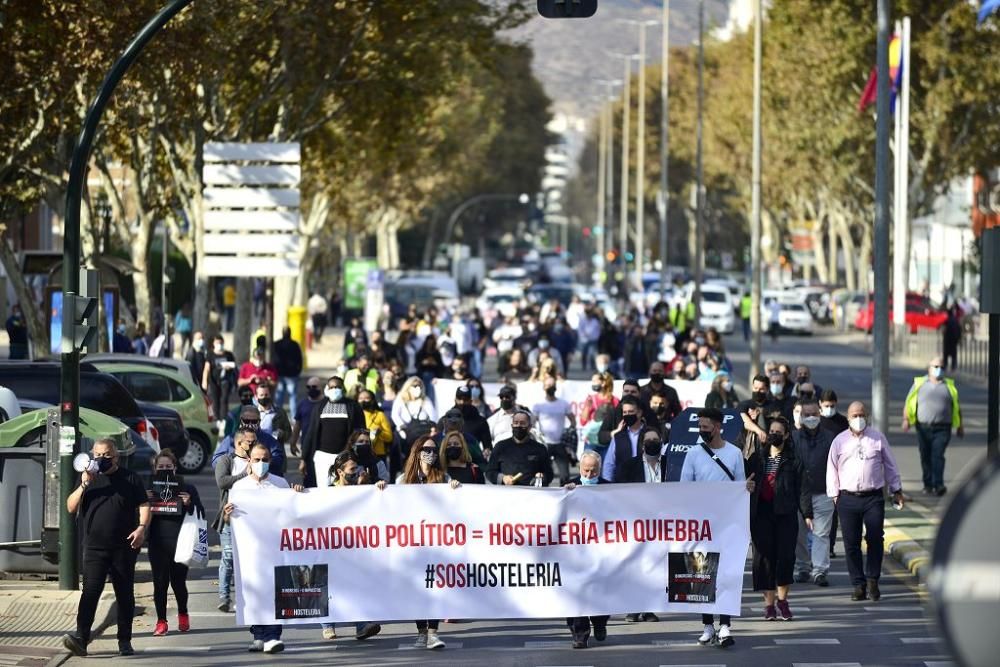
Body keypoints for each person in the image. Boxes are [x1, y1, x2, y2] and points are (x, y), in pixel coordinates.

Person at [62, 438, 150, 657]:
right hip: (94, 547)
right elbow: (70, 506)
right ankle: (81, 638)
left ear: (116, 456)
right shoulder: (89, 478)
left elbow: (144, 504)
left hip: (123, 546)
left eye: (107, 455)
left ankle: (125, 641)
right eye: (98, 455)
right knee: (90, 592)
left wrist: (141, 528)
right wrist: (84, 484)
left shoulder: (130, 478)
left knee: (124, 593)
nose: (102, 459)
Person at [680, 408, 754, 648]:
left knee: (726, 574)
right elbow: (684, 488)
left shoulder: (734, 453)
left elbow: (740, 487)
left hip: (727, 525)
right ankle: (707, 625)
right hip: (701, 526)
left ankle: (725, 625)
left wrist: (747, 488)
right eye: (700, 427)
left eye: (706, 427)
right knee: (702, 575)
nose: (702, 431)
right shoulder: (692, 454)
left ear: (718, 427)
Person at [222, 442, 304, 653]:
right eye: (257, 459)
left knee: (275, 590)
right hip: (250, 551)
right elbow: (230, 521)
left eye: (265, 460)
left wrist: (297, 493)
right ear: (249, 460)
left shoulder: (280, 483)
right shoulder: (239, 488)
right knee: (253, 591)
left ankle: (272, 636)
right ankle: (259, 634)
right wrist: (227, 514)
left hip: (276, 549)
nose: (261, 463)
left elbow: (293, 514)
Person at [827, 401, 903, 602]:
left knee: (875, 538)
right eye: (854, 415)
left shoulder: (877, 438)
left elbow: (890, 465)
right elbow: (832, 469)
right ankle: (858, 584)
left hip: (873, 497)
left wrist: (897, 489)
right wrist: (834, 495)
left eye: (861, 415)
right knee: (851, 544)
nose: (858, 419)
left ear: (867, 416)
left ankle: (873, 580)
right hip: (847, 498)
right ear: (848, 418)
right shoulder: (839, 441)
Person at [397, 437, 460, 649]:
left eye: (434, 450)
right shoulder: (403, 481)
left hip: (435, 544)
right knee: (416, 589)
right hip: (412, 544)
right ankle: (421, 631)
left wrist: (454, 488)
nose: (430, 454)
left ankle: (433, 632)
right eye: (426, 449)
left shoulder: (443, 477)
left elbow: (453, 505)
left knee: (434, 587)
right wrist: (380, 489)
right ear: (417, 451)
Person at [747, 417, 810, 621]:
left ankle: (783, 602)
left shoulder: (794, 460)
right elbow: (745, 482)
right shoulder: (757, 458)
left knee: (785, 558)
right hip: (762, 515)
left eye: (778, 431)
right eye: (771, 431)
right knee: (764, 559)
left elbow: (802, 489)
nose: (773, 434)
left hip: (785, 515)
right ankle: (769, 605)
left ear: (786, 435)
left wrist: (807, 513)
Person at [318, 450, 384, 640]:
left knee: (355, 583)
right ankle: (327, 624)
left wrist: (375, 488)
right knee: (328, 583)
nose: (356, 472)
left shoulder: (362, 488)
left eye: (357, 468)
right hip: (331, 544)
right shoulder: (327, 491)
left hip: (355, 546)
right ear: (340, 471)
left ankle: (361, 625)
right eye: (352, 469)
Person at [147, 449, 204, 637]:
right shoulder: (148, 488)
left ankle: (183, 612)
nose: (165, 470)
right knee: (160, 583)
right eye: (161, 467)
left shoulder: (187, 488)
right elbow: (135, 514)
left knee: (178, 582)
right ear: (155, 469)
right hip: (157, 541)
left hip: (181, 542)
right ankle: (161, 621)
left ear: (175, 468)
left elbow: (201, 513)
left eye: (168, 467)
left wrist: (189, 503)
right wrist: (145, 502)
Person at [561, 450, 610, 648]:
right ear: (580, 468)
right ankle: (579, 633)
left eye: (594, 471)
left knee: (600, 589)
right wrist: (566, 494)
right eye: (586, 471)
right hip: (575, 549)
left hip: (601, 549)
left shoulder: (610, 488)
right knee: (575, 590)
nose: (589, 475)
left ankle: (599, 622)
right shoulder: (568, 486)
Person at [902, 356, 964, 496]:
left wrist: (960, 426)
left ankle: (939, 484)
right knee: (925, 456)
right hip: (923, 427)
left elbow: (957, 406)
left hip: (943, 428)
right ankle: (928, 484)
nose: (938, 370)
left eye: (941, 367)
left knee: (937, 455)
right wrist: (906, 419)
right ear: (929, 368)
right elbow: (909, 402)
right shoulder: (919, 384)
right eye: (935, 366)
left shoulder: (950, 386)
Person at [792, 400, 836, 586]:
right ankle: (802, 567)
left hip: (823, 492)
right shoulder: (792, 438)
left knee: (821, 534)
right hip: (798, 495)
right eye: (806, 414)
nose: (810, 418)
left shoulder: (830, 438)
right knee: (798, 534)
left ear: (820, 415)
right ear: (800, 417)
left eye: (814, 414)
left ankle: (819, 571)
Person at [212, 427, 255, 613]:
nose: (253, 445)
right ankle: (224, 596)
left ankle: (245, 597)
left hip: (253, 520)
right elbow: (222, 482)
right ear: (239, 443)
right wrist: (245, 474)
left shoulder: (258, 461)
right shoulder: (226, 460)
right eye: (250, 442)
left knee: (249, 561)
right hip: (230, 518)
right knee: (228, 557)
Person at [301, 376, 366, 488]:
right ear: (327, 388)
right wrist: (303, 458)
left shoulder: (353, 406)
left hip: (345, 457)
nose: (334, 389)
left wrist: (361, 454)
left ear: (343, 388)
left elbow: (361, 432)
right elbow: (310, 433)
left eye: (337, 387)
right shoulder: (319, 407)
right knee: (323, 488)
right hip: (323, 456)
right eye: (331, 387)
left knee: (346, 487)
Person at [211, 405, 286, 475]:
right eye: (246, 421)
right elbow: (215, 461)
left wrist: (263, 463)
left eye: (254, 421)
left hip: (263, 482)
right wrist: (234, 460)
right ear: (241, 421)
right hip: (236, 482)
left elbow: (279, 459)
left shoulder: (269, 440)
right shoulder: (230, 439)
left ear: (259, 421)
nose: (250, 424)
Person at [486, 410, 553, 487]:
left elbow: (549, 474)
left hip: (532, 494)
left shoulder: (540, 448)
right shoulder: (500, 446)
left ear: (529, 427)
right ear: (512, 426)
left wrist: (542, 476)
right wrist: (503, 478)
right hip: (506, 493)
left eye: (522, 423)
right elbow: (490, 472)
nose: (518, 426)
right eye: (516, 423)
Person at [532, 376, 576, 486]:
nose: (550, 387)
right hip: (544, 444)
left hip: (560, 443)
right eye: (548, 385)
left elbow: (572, 419)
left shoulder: (563, 404)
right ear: (543, 387)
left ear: (556, 387)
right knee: (543, 474)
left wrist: (570, 431)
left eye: (552, 385)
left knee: (565, 475)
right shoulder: (539, 405)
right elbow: (532, 422)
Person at [602, 396, 652, 483]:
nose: (627, 415)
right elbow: (609, 464)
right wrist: (607, 485)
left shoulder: (650, 434)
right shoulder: (618, 437)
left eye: (631, 411)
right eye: (625, 412)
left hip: (646, 484)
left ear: (639, 412)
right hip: (622, 485)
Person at [290, 377, 324, 485]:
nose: (311, 389)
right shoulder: (302, 404)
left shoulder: (327, 403)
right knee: (308, 477)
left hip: (323, 445)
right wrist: (293, 442)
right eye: (308, 387)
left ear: (321, 388)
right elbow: (297, 425)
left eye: (314, 387)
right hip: (307, 446)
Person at [390, 377, 438, 442]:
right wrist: (401, 427)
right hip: (404, 431)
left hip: (422, 432)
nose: (418, 388)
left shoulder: (425, 400)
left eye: (420, 386)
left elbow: (433, 417)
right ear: (408, 387)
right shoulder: (401, 398)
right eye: (415, 386)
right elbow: (395, 415)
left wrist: (433, 429)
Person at [357, 389, 394, 467]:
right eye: (360, 398)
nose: (363, 401)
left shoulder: (380, 415)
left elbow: (389, 437)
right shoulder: (355, 414)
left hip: (378, 454)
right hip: (359, 453)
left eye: (366, 398)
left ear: (372, 400)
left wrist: (380, 433)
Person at [272, 327, 303, 416]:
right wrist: (298, 371)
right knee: (293, 398)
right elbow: (300, 359)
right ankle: (294, 418)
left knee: (279, 398)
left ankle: (278, 417)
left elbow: (273, 359)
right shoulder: (295, 345)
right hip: (292, 375)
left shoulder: (276, 344)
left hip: (280, 374)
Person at [206, 335, 237, 418]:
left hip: (225, 380)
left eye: (221, 342)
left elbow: (234, 366)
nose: (219, 344)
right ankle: (216, 418)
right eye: (217, 343)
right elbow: (207, 368)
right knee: (215, 400)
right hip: (214, 381)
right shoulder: (210, 354)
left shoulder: (228, 354)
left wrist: (229, 367)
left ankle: (224, 418)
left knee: (224, 399)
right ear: (213, 343)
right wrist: (204, 381)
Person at [942, 303, 962, 372]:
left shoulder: (947, 321)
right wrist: (959, 339)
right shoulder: (955, 321)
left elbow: (944, 330)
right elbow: (959, 330)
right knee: (953, 355)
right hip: (954, 341)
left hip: (948, 340)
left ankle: (945, 366)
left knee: (946, 354)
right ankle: (953, 367)